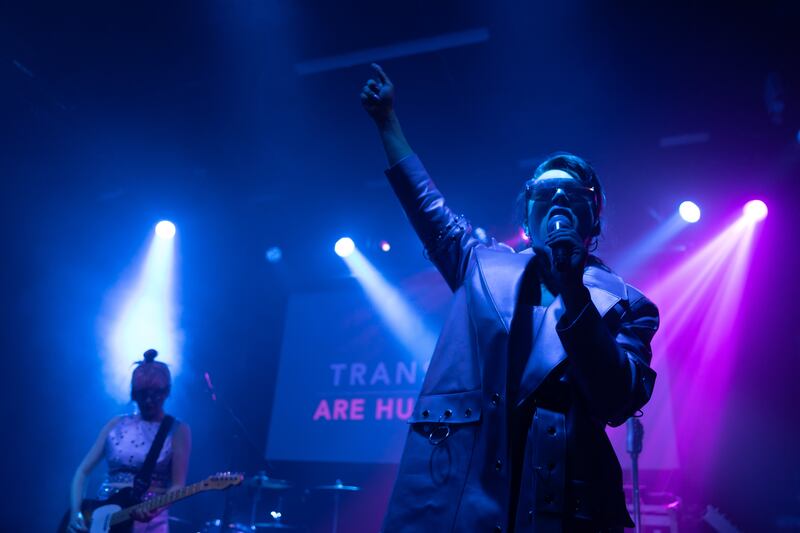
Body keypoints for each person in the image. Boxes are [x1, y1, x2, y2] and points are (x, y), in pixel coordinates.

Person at [360, 64, 659, 532]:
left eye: (573, 195)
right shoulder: (481, 266)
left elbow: (617, 399)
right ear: (528, 216)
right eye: (546, 192)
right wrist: (386, 122)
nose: (559, 198)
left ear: (593, 219)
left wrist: (575, 289)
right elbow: (427, 206)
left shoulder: (629, 306)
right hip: (466, 496)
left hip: (564, 506)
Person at [67, 349, 192, 533]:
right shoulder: (116, 424)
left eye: (155, 395)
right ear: (134, 394)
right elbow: (82, 471)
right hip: (103, 518)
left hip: (150, 521)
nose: (149, 401)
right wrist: (75, 513)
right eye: (143, 395)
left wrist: (155, 508)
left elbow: (177, 485)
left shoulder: (178, 430)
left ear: (166, 393)